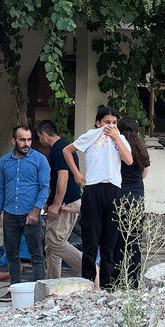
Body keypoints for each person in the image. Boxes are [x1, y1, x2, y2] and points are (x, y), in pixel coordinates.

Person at [63, 106, 133, 290]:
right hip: (93, 188)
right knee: (91, 240)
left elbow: (129, 160)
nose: (110, 126)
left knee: (110, 240)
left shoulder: (121, 139)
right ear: (98, 122)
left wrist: (116, 137)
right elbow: (67, 151)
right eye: (106, 122)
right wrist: (77, 174)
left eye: (114, 123)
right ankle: (88, 283)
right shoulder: (91, 135)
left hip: (114, 189)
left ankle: (108, 285)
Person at [0, 124, 50, 302]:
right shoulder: (4, 161)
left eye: (29, 140)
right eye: (22, 140)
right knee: (11, 254)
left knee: (36, 254)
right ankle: (15, 290)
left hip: (31, 214)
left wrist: (35, 211)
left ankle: (38, 294)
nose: (26, 144)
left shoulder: (40, 160)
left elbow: (45, 188)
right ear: (14, 141)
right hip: (10, 214)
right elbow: (0, 187)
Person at [35, 119, 83, 279]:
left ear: (43, 134)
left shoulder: (59, 149)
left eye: (38, 137)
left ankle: (88, 268)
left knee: (54, 241)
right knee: (51, 246)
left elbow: (63, 177)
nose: (40, 141)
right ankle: (52, 283)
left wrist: (56, 205)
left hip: (66, 202)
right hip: (65, 201)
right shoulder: (61, 147)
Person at [116, 117, 151, 288]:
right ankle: (134, 281)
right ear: (138, 132)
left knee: (118, 241)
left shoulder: (117, 148)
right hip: (137, 197)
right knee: (134, 241)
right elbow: (144, 174)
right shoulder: (141, 149)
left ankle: (117, 279)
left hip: (119, 197)